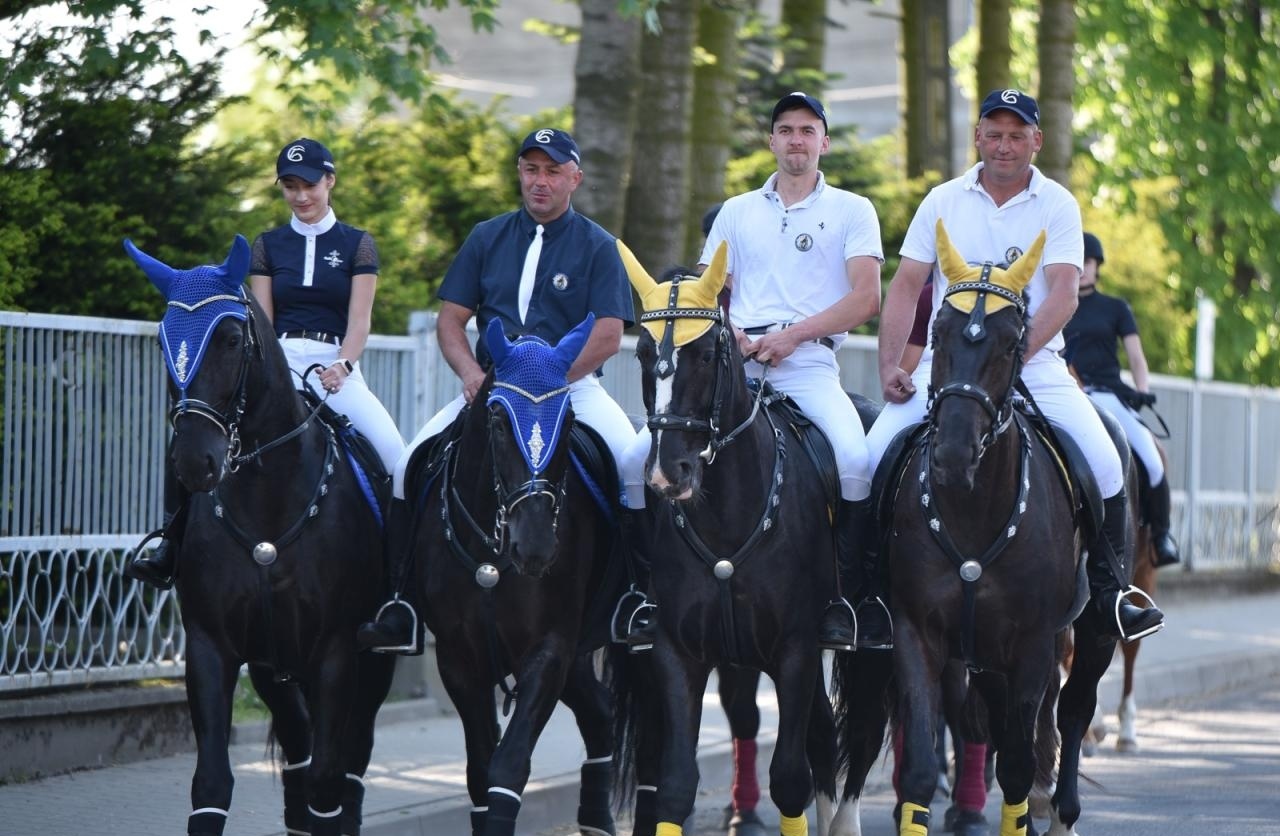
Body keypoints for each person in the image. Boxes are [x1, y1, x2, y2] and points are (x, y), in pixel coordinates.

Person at [867, 88, 1164, 641]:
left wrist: (1008, 359)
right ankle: (865, 596)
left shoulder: (1057, 204)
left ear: (1037, 140)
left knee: (1104, 458)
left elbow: (1064, 296)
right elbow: (907, 285)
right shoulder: (942, 201)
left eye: (1016, 135)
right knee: (869, 460)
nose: (1004, 146)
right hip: (948, 366)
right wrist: (890, 365)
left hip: (1034, 363)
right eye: (995, 134)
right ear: (978, 136)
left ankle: (1112, 594)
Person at [616, 91, 887, 651]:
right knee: (630, 461)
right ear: (771, 141)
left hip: (808, 364)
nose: (796, 140)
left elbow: (866, 300)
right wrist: (730, 333)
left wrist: (793, 336)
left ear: (823, 142)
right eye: (786, 129)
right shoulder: (737, 211)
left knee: (857, 461)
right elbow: (704, 295)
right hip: (731, 364)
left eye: (807, 130)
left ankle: (849, 600)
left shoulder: (852, 211)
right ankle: (644, 593)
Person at [357, 128, 637, 654]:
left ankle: (635, 598)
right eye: (531, 169)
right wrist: (470, 375)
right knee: (407, 467)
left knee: (631, 468)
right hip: (493, 389)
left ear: (574, 178)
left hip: (571, 388)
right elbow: (451, 321)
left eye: (553, 171)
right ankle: (401, 602)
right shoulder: (487, 237)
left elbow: (607, 334)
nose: (540, 180)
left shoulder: (599, 246)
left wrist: (549, 381)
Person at [125, 137, 406, 588]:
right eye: (290, 186)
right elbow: (262, 321)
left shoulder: (358, 245)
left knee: (395, 458)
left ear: (330, 181)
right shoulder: (268, 245)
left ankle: (398, 583)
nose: (300, 196)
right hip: (278, 362)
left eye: (309, 185)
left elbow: (360, 321)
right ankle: (169, 544)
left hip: (337, 366)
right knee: (192, 437)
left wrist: (345, 365)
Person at [1062, 232, 1180, 567]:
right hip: (1067, 394)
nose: (1082, 268)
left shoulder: (1115, 308)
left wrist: (1141, 389)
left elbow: (1136, 356)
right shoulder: (1055, 303)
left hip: (1109, 395)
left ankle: (1161, 534)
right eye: (1077, 261)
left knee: (1153, 460)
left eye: (1087, 262)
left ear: (1097, 266)